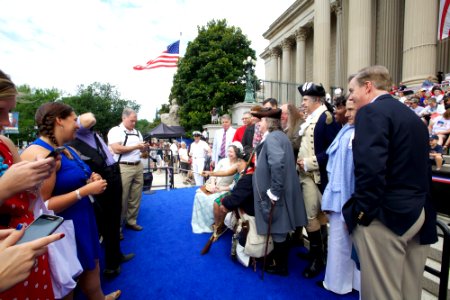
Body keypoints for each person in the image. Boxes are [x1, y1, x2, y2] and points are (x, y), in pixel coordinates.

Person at [343, 65, 437, 300]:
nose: (350, 97)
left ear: (368, 86)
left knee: (381, 294)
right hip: (418, 214)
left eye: (352, 90)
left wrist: (361, 214)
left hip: (386, 218)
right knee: (409, 292)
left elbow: (370, 171)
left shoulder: (371, 113)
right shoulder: (412, 117)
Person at [21, 102, 121, 299]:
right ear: (59, 120)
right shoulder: (41, 154)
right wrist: (84, 191)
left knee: (92, 274)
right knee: (66, 286)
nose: (77, 125)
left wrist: (92, 178)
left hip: (83, 221)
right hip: (63, 231)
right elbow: (43, 208)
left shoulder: (67, 149)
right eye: (74, 119)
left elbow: (79, 177)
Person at [0, 69, 64, 299]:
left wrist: (38, 174)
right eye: (1, 111)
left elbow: (30, 198)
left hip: (27, 246)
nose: (7, 122)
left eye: (8, 112)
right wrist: (5, 187)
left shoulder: (5, 144)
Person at [70, 112, 135, 278]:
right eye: (70, 117)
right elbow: (90, 118)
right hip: (102, 177)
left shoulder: (89, 133)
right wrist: (75, 121)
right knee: (107, 221)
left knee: (114, 218)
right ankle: (111, 265)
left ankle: (116, 255)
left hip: (113, 173)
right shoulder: (78, 131)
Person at [252, 107, 307, 276]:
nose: (258, 123)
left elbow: (277, 165)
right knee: (279, 228)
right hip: (277, 190)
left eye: (261, 120)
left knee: (278, 229)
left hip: (276, 193)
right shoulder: (277, 136)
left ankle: (281, 266)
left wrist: (274, 192)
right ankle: (279, 262)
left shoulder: (273, 138)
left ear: (268, 122)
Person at [296, 82, 341, 278]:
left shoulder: (327, 118)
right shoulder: (314, 117)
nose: (303, 103)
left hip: (315, 175)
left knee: (310, 217)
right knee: (316, 216)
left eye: (305, 99)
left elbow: (332, 151)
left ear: (316, 100)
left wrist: (308, 163)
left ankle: (317, 259)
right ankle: (318, 254)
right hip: (307, 175)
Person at [318, 99, 360, 294]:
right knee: (340, 244)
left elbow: (347, 175)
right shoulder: (345, 132)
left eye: (350, 109)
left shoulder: (352, 135)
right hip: (339, 197)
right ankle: (340, 282)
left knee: (340, 245)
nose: (342, 112)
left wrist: (346, 208)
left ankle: (338, 284)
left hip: (343, 199)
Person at [107, 107, 148, 232]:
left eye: (135, 121)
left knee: (136, 196)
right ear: (123, 118)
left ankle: (131, 221)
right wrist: (136, 146)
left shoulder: (137, 132)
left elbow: (141, 150)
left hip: (138, 165)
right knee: (122, 198)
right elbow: (116, 149)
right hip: (123, 167)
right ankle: (117, 227)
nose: (134, 123)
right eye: (131, 121)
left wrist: (144, 148)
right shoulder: (116, 131)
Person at [191, 143, 243, 234]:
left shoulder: (238, 165)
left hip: (224, 188)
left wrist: (220, 188)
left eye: (231, 152)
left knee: (210, 200)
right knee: (199, 195)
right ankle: (201, 222)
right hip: (214, 185)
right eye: (228, 151)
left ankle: (215, 224)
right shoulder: (222, 161)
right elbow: (214, 174)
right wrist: (212, 184)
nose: (229, 153)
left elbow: (231, 179)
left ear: (237, 152)